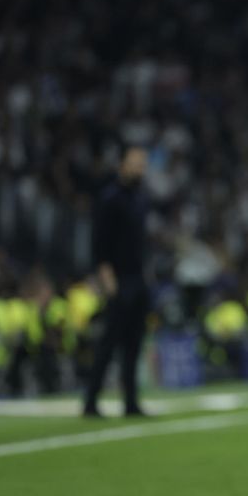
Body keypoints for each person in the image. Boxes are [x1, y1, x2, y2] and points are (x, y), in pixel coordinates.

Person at [83, 147, 151, 417]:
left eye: (142, 164)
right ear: (121, 164)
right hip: (118, 278)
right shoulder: (110, 198)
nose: (139, 169)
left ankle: (130, 401)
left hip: (138, 277)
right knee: (109, 343)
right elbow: (100, 243)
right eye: (134, 163)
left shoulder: (140, 199)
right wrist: (106, 276)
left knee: (134, 343)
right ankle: (91, 401)